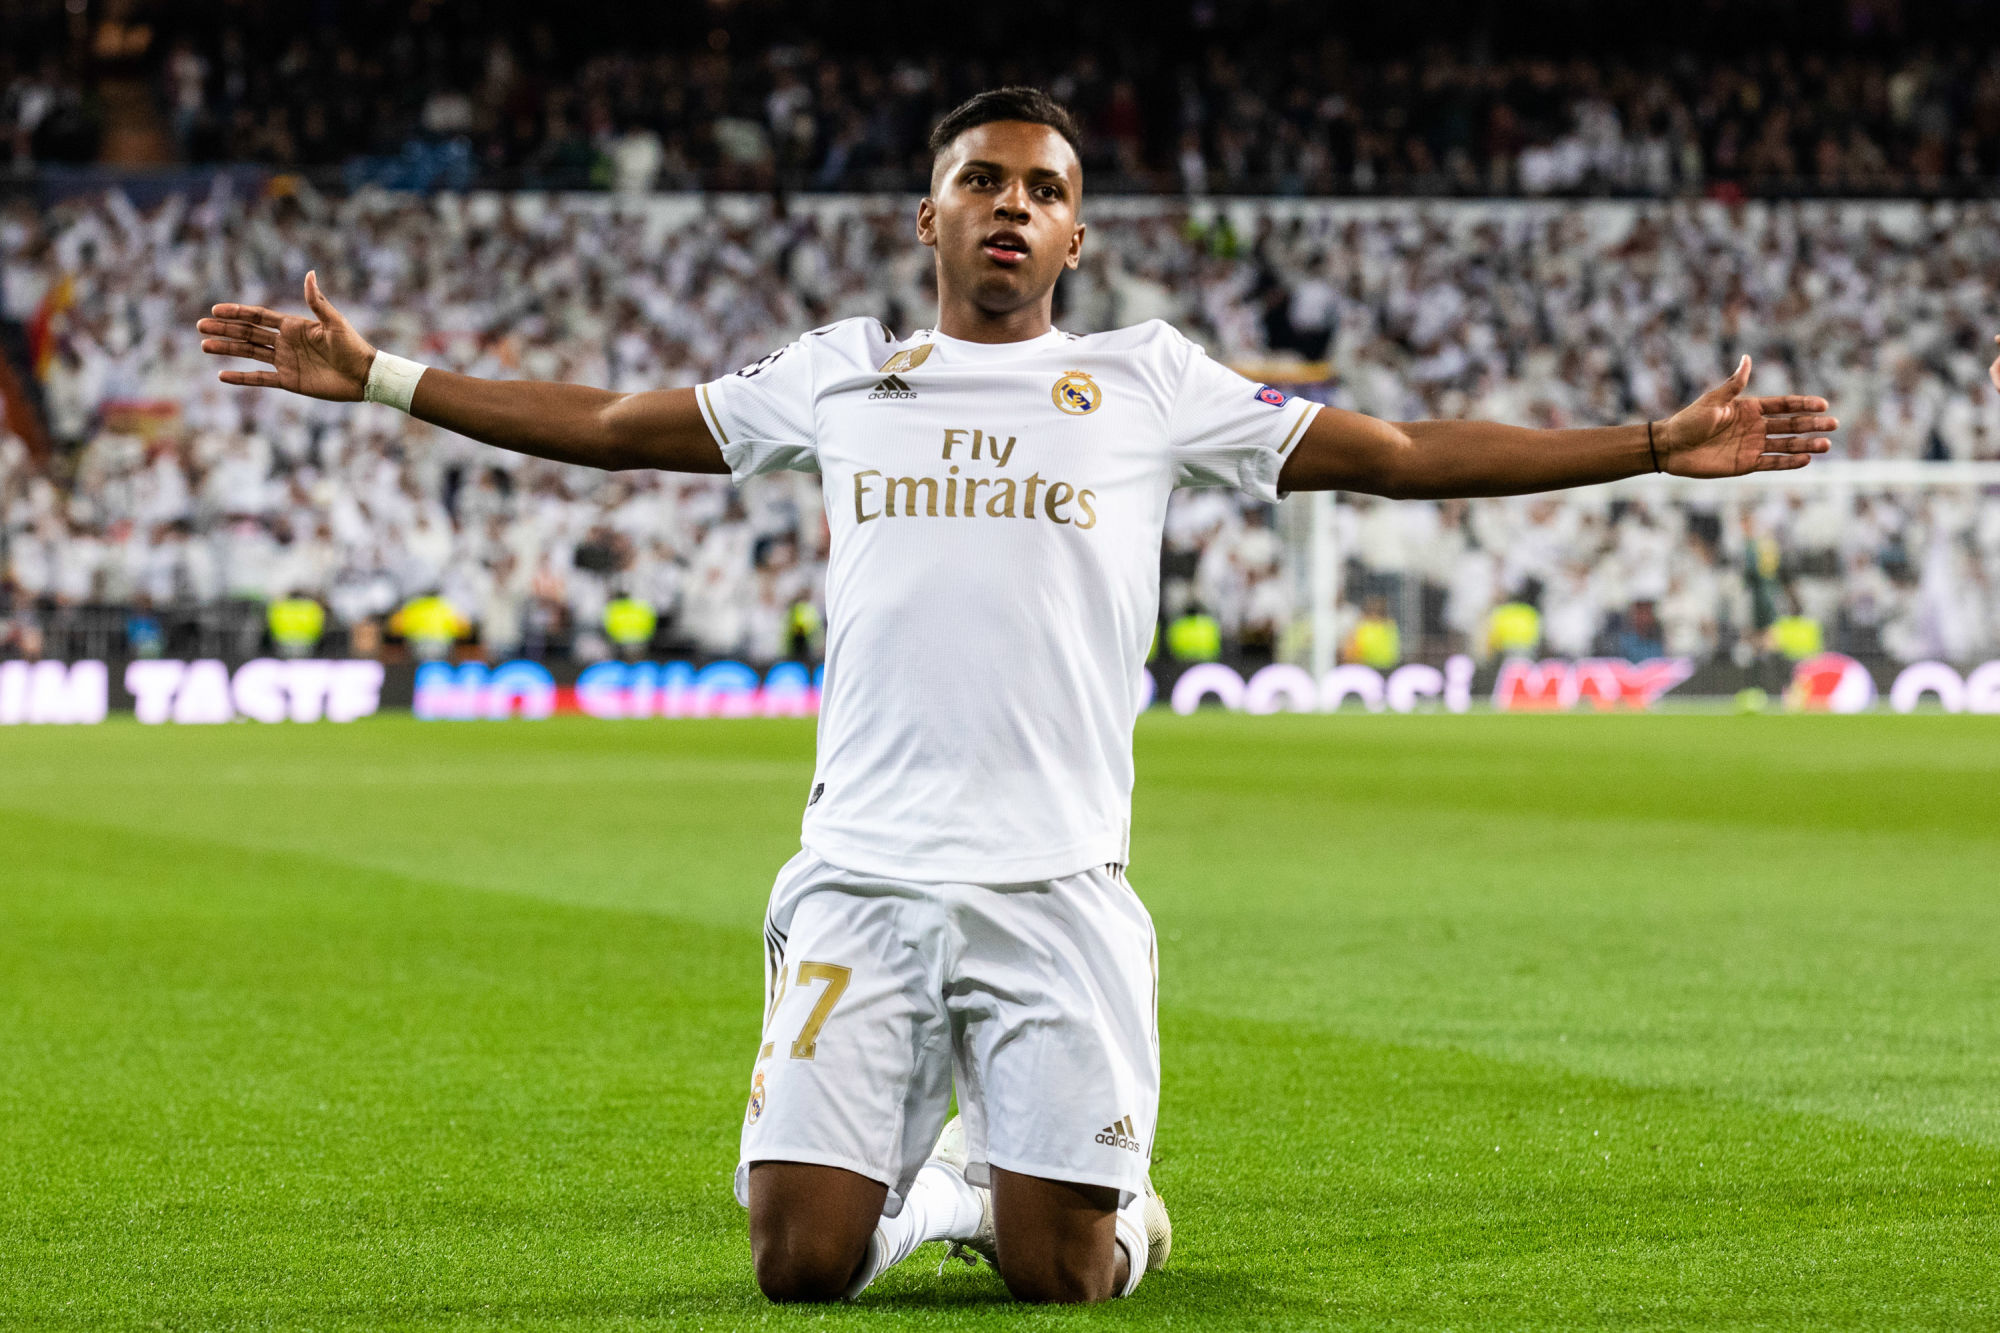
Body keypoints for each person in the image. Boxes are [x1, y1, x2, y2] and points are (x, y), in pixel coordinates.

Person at [195, 86, 1836, 1306]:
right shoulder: (841, 373)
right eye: (979, 179)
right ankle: (934, 1186)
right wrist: (388, 379)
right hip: (864, 873)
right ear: (930, 220)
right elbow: (624, 424)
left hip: (1056, 884)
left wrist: (1647, 443)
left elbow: (1396, 458)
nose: (1009, 204)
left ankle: (1031, 1193)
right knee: (801, 1263)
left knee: (1071, 1275)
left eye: (1042, 189)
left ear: (1072, 234)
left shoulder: (1150, 381)